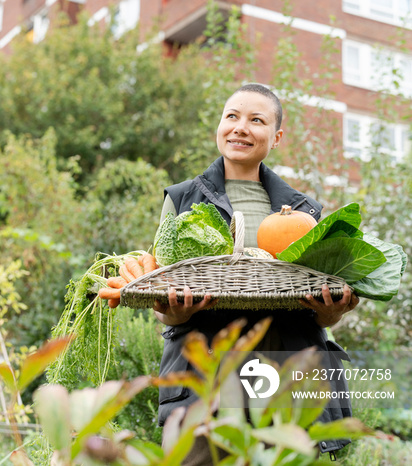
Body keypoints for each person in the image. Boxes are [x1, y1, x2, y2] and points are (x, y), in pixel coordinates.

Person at [153, 83, 359, 464]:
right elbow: (161, 297)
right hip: (203, 378)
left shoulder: (305, 211)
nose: (240, 128)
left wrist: (332, 311)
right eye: (231, 116)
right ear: (219, 125)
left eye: (256, 120)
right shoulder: (181, 199)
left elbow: (318, 310)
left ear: (276, 136)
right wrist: (174, 310)